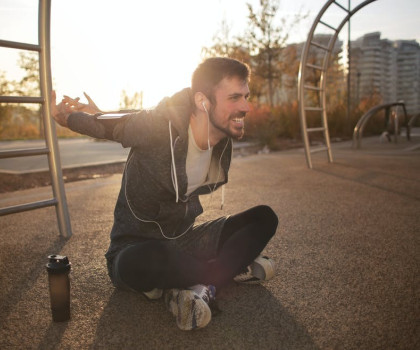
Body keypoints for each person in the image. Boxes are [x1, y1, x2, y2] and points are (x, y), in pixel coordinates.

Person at [51, 57, 278, 331]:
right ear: (203, 101)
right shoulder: (159, 127)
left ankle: (195, 283)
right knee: (151, 258)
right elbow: (121, 125)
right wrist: (72, 117)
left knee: (265, 218)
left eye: (246, 96)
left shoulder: (222, 135)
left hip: (185, 239)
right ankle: (224, 269)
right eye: (234, 98)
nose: (246, 107)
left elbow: (135, 113)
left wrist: (102, 112)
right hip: (134, 248)